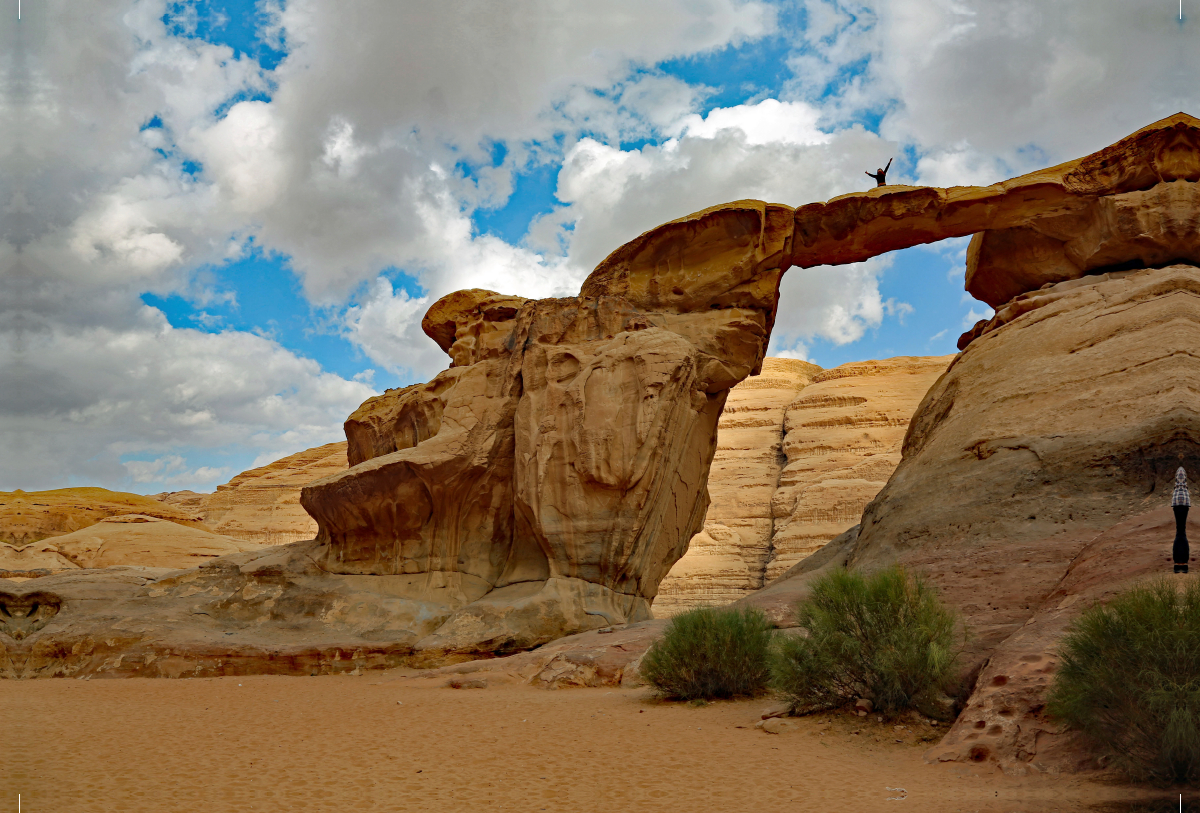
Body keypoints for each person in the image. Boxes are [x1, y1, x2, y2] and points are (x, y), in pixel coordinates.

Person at [1172, 466, 1191, 573]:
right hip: (1185, 502)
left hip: (1176, 502)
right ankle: (1184, 564)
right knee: (1182, 531)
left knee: (1178, 531)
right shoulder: (1185, 485)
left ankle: (1177, 564)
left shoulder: (1176, 483)